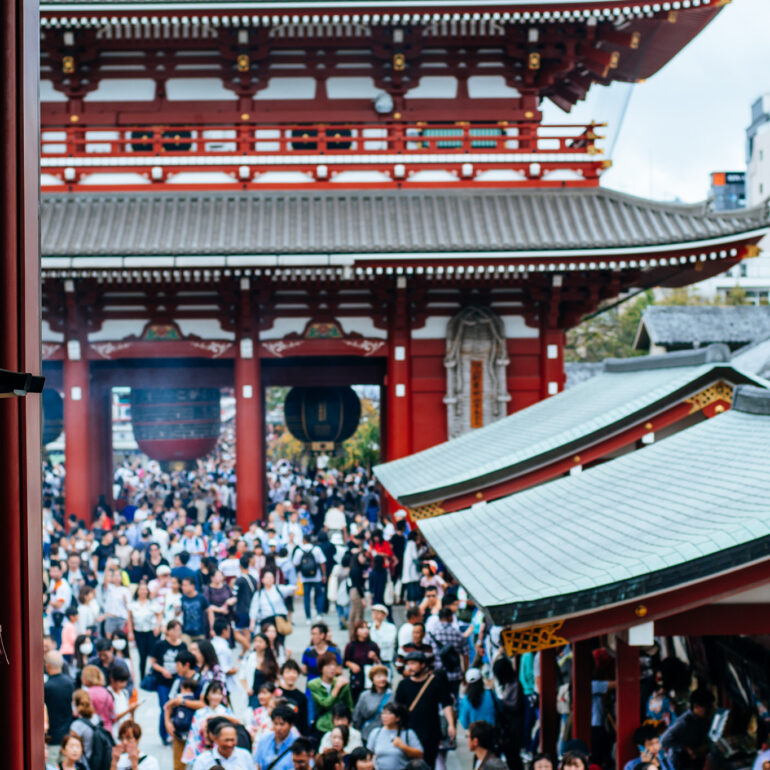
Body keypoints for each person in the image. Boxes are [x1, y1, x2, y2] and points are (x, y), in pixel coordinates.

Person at [394, 651, 454, 769]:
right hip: (409, 731)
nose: (409, 667)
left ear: (423, 665)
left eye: (413, 663)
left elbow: (446, 704)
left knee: (429, 763)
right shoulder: (403, 685)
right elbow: (398, 709)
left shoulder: (435, 682)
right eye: (408, 664)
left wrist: (451, 724)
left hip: (431, 731)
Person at [148, 619, 187, 745]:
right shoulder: (160, 645)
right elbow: (153, 662)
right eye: (175, 630)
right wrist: (163, 670)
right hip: (163, 682)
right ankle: (164, 734)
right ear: (168, 631)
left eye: (179, 631)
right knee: (165, 707)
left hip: (178, 681)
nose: (177, 633)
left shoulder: (183, 646)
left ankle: (176, 732)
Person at [182, 681, 238, 765]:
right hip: (202, 748)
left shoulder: (226, 712)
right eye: (214, 693)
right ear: (207, 695)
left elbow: (237, 723)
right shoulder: (199, 713)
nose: (216, 697)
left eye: (219, 694)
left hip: (221, 749)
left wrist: (218, 717)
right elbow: (193, 736)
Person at [661, 689, 715, 770]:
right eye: (707, 707)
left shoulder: (703, 719)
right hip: (681, 763)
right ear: (696, 706)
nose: (710, 710)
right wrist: (685, 747)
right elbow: (664, 740)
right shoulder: (684, 722)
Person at [366, 702, 424, 770]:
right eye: (383, 713)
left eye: (389, 713)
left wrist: (403, 747)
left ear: (398, 718)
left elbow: (420, 755)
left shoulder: (408, 733)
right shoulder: (376, 733)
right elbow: (368, 754)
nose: (384, 716)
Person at [309, 651, 354, 737]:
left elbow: (350, 706)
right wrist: (337, 687)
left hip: (341, 726)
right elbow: (325, 704)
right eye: (329, 665)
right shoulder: (313, 684)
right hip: (323, 726)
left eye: (334, 665)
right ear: (321, 668)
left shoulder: (343, 683)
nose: (333, 668)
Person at [492, 656, 524, 770]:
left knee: (513, 757)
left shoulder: (515, 684)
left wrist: (500, 704)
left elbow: (514, 705)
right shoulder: (509, 683)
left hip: (513, 728)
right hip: (510, 727)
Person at [428, 607, 468, 699]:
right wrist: (465, 673)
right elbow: (465, 655)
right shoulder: (458, 634)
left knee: (440, 699)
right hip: (455, 674)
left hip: (438, 673)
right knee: (455, 699)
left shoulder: (432, 634)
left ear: (439, 618)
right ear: (451, 618)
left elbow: (428, 653)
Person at [45, 651, 75, 766]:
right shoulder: (71, 683)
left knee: (52, 765)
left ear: (48, 665)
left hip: (53, 735)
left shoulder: (47, 687)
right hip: (67, 733)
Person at [127, 581, 161, 679]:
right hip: (139, 632)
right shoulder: (133, 604)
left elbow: (159, 614)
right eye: (141, 590)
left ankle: (153, 675)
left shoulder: (152, 603)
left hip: (150, 631)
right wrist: (130, 632)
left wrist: (157, 626)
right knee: (142, 655)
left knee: (153, 654)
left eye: (145, 590)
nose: (143, 592)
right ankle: (142, 677)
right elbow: (129, 619)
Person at [353, 665, 393, 742]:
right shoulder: (365, 695)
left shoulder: (392, 694)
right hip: (368, 733)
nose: (382, 679)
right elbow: (357, 716)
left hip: (387, 733)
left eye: (384, 675)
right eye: (379, 676)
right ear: (372, 679)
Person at [344, 620, 381, 701]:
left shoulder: (373, 645)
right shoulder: (351, 645)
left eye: (367, 628)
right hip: (357, 677)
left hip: (369, 677)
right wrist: (352, 665)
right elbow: (345, 661)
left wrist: (374, 657)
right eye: (362, 628)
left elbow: (379, 663)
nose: (365, 630)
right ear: (356, 631)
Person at [293, 534, 327, 621]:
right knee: (319, 594)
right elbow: (322, 562)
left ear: (304, 540)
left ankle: (308, 617)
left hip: (305, 577)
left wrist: (301, 569)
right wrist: (324, 575)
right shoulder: (316, 549)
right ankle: (319, 613)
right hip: (317, 576)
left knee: (306, 597)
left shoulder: (299, 550)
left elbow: (295, 563)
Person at [254, 703, 297, 770]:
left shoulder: (297, 743)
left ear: (291, 725)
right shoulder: (264, 740)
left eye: (282, 724)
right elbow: (258, 766)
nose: (278, 728)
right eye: (275, 724)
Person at [241, 633, 279, 708]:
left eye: (260, 641)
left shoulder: (270, 658)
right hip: (254, 694)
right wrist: (247, 689)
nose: (257, 644)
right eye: (256, 641)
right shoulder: (250, 657)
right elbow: (242, 676)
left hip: (268, 694)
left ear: (266, 644)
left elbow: (276, 676)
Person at [232, 554, 259, 655]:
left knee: (236, 633)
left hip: (241, 609)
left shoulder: (239, 580)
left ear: (240, 566)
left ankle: (251, 649)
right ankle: (243, 654)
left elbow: (234, 595)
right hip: (251, 609)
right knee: (247, 632)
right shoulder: (253, 579)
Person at [81, 665, 115, 733]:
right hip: (106, 730)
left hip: (91, 730)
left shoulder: (85, 693)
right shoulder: (108, 693)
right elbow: (113, 716)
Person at [279, 660, 309, 735]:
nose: (291, 675)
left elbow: (304, 720)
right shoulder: (277, 693)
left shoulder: (301, 696)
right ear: (282, 675)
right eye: (288, 672)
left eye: (294, 672)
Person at [180, 576, 210, 641]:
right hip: (186, 632)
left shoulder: (201, 597)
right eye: (182, 585)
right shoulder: (182, 598)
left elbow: (209, 611)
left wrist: (211, 627)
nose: (182, 587)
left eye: (185, 585)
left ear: (192, 586)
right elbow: (179, 613)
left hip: (199, 632)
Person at [369, 605, 397, 672]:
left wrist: (377, 629)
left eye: (378, 613)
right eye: (373, 613)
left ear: (384, 615)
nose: (375, 615)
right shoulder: (369, 626)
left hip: (385, 659)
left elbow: (388, 642)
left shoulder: (391, 627)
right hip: (371, 661)